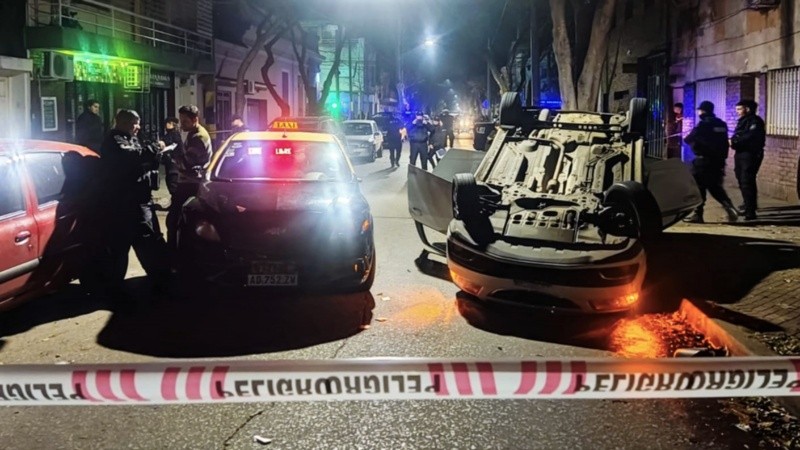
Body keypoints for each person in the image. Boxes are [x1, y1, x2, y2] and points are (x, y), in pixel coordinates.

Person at [88, 109, 170, 300]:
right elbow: (132, 157)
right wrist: (154, 148)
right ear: (124, 122)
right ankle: (121, 287)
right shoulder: (114, 140)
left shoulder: (129, 137)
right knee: (138, 242)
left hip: (138, 199)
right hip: (126, 203)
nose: (138, 127)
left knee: (145, 241)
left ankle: (158, 278)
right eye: (135, 123)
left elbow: (140, 159)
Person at [683, 101, 739, 224]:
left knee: (699, 187)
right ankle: (729, 207)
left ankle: (698, 214)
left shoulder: (703, 124)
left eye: (699, 110)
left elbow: (688, 139)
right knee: (715, 186)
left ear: (703, 111)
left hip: (703, 161)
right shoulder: (721, 124)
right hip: (718, 161)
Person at [166, 105, 213, 251]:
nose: (182, 125)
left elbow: (186, 163)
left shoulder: (198, 137)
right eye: (181, 121)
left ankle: (174, 255)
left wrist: (169, 156)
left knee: (174, 221)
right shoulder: (193, 133)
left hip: (191, 184)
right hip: (190, 182)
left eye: (185, 121)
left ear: (195, 120)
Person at [730, 99, 766, 221]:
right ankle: (748, 203)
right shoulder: (743, 121)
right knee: (740, 177)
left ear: (748, 109)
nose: (737, 112)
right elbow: (738, 134)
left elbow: (749, 137)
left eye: (740, 109)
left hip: (750, 154)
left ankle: (750, 211)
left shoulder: (755, 121)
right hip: (741, 153)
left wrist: (734, 141)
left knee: (747, 180)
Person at [161, 117, 183, 197]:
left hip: (174, 161)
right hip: (169, 161)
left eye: (169, 123)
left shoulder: (175, 134)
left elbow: (173, 144)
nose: (167, 124)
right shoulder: (168, 134)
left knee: (172, 181)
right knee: (169, 180)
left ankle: (175, 203)